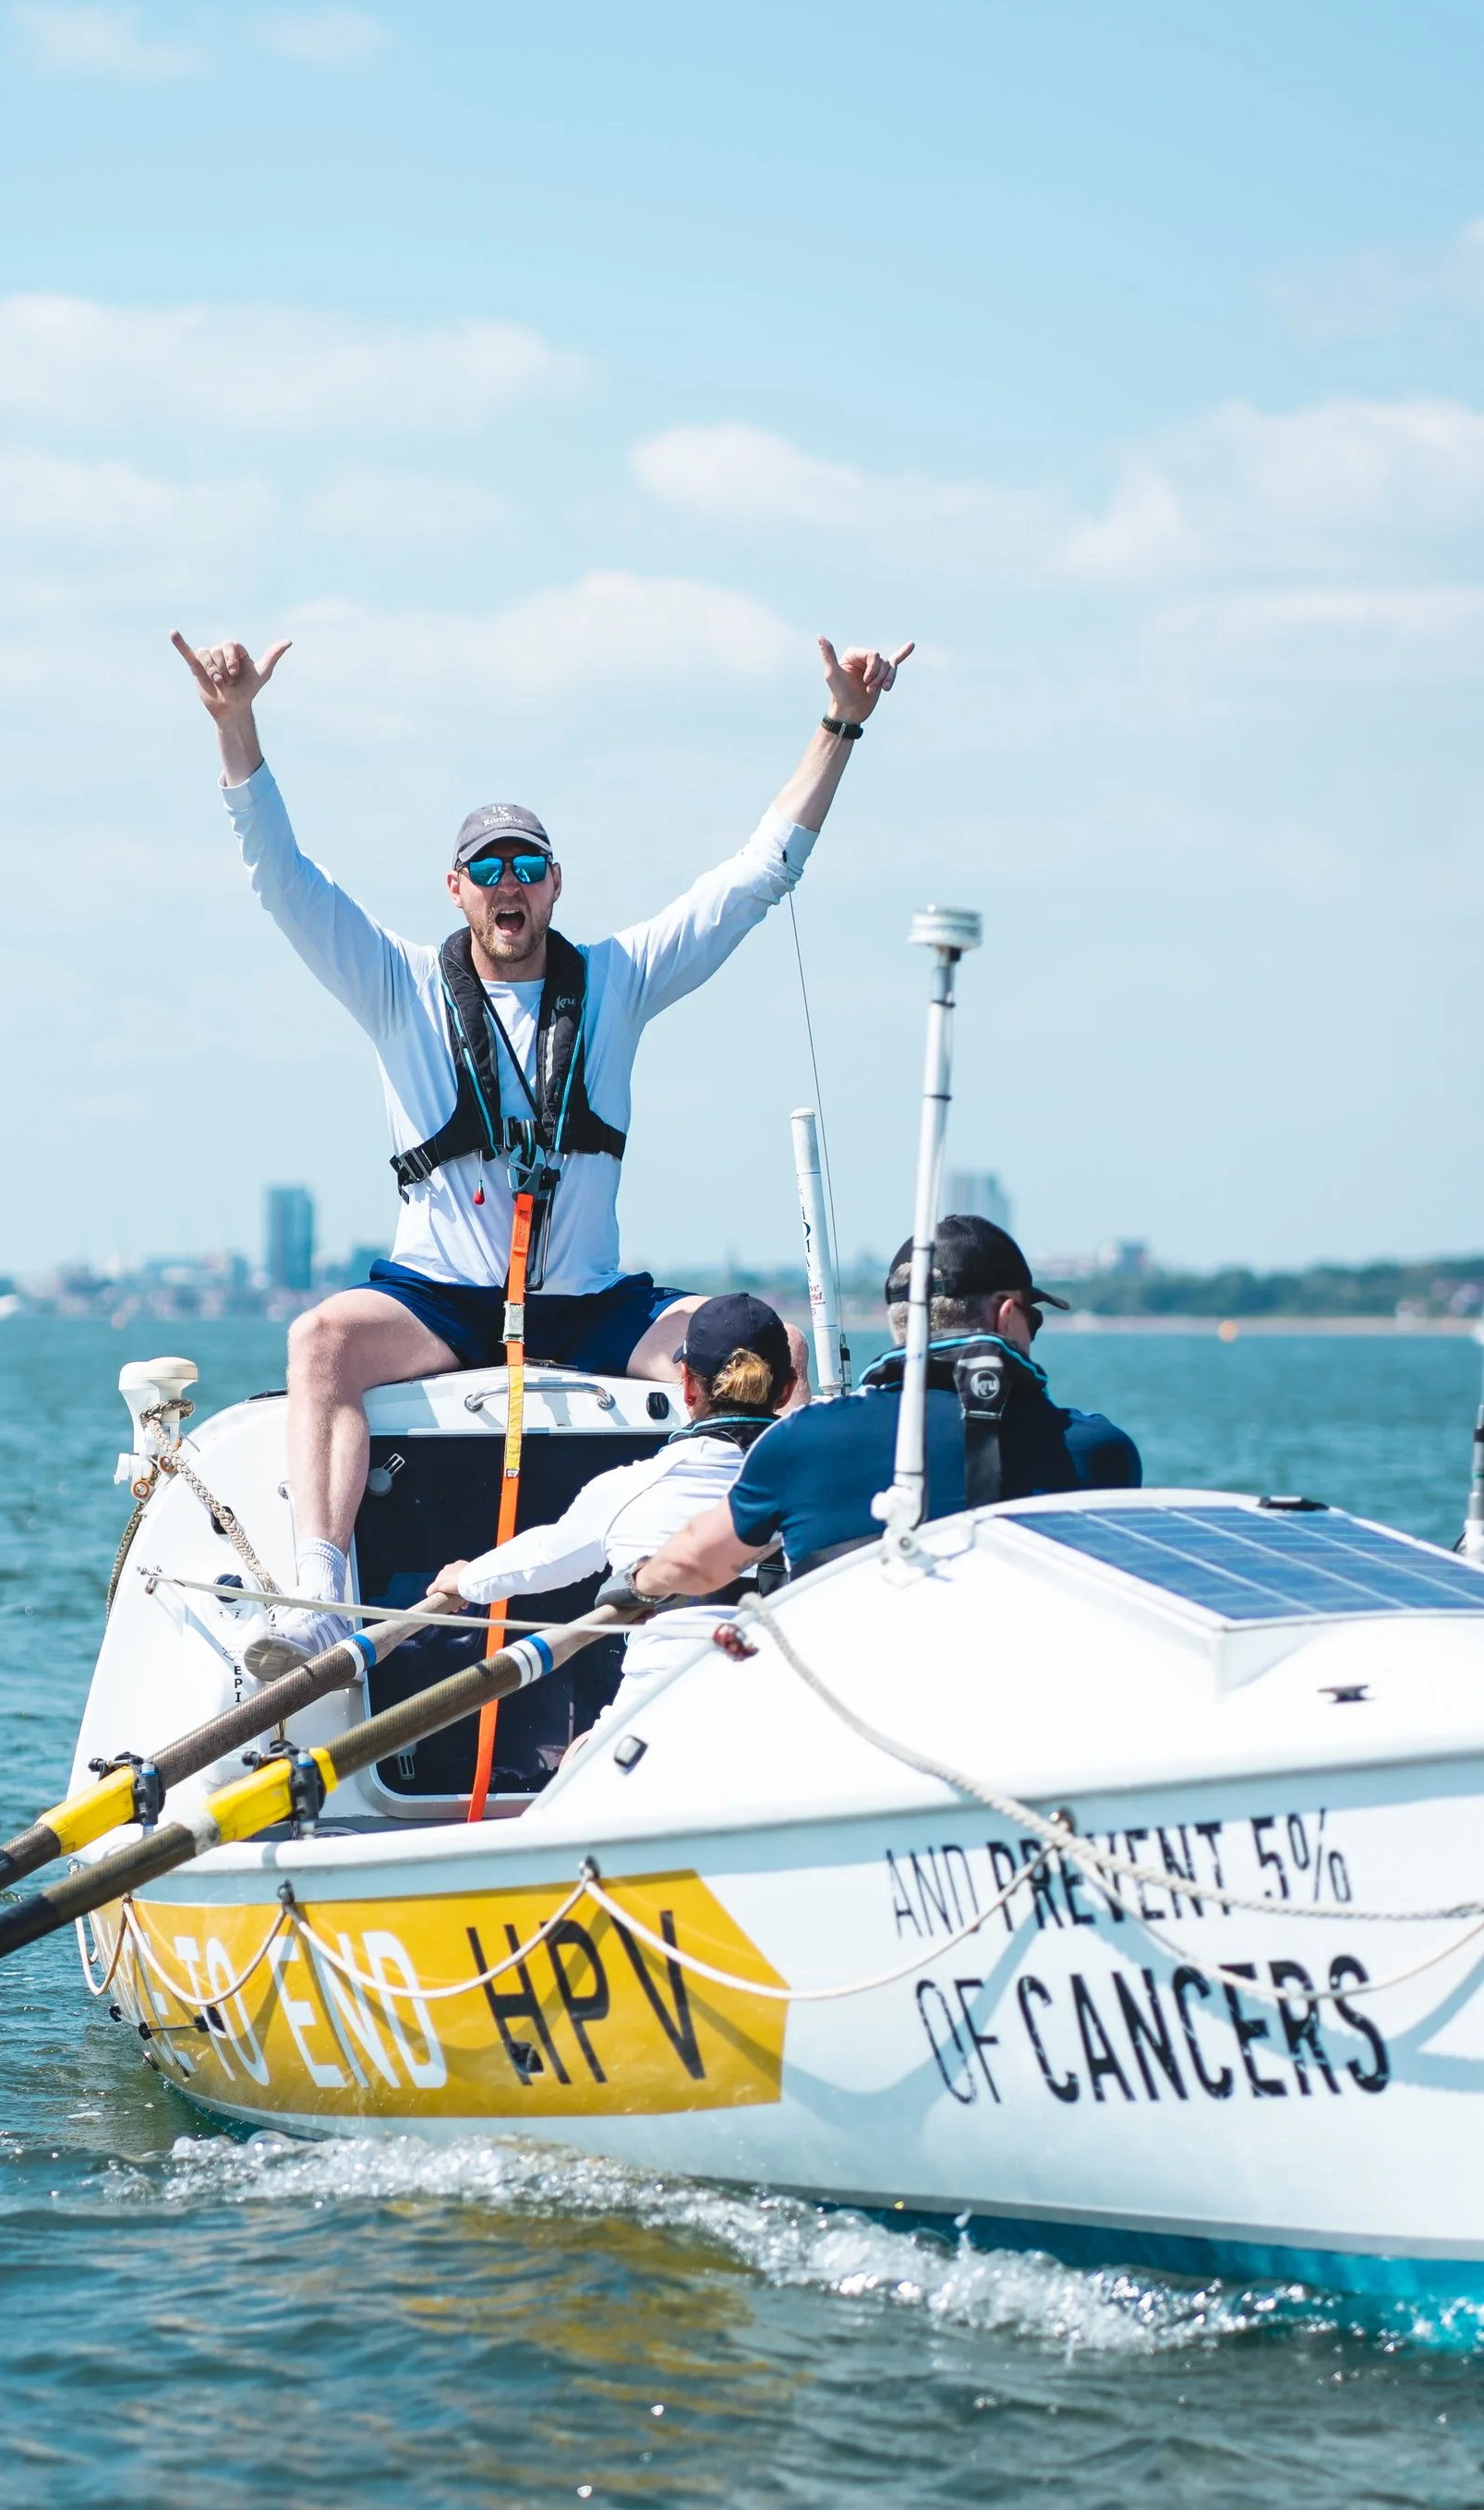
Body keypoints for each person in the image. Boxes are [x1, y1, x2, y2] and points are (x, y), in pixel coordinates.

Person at [172, 621, 914, 1650]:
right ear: (456, 890)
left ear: (555, 884)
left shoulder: (617, 979)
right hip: (439, 1298)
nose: (507, 882)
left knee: (773, 1347)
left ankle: (795, 1574)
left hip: (586, 1304)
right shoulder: (394, 986)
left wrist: (840, 724)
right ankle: (317, 1599)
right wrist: (236, 726)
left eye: (527, 864)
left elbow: (754, 878)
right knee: (321, 1342)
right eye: (487, 868)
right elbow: (282, 877)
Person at [611, 1215, 1141, 1611]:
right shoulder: (1098, 1453)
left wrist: (637, 1584)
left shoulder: (799, 1441)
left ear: (897, 1323)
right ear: (1006, 1316)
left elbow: (695, 1560)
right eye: (1034, 1319)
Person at [422, 1293, 802, 1729]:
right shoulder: (833, 1488)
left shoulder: (631, 1487)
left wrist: (467, 1579)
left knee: (578, 1757)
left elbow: (545, 1559)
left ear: (688, 1384)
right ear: (787, 1389)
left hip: (657, 1721)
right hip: (788, 1717)